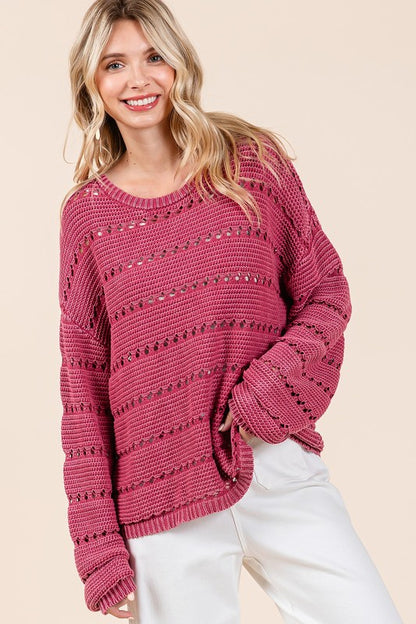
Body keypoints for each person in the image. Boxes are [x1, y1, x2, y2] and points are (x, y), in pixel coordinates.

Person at [58, 1, 403, 622]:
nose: (138, 80)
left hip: (272, 463)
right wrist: (98, 546)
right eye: (114, 64)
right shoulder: (88, 218)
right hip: (160, 497)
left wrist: (267, 389)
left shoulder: (251, 165)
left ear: (179, 64)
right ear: (92, 83)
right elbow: (84, 383)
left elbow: (325, 291)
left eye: (154, 57)